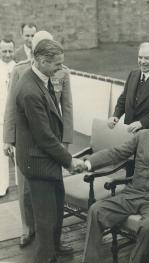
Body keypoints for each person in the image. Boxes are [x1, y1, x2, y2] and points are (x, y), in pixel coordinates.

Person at [81, 99, 149, 263]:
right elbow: (116, 153)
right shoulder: (142, 135)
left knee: (147, 228)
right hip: (133, 193)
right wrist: (88, 163)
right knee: (96, 210)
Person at [2, 31, 74, 248]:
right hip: (28, 144)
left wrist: (66, 141)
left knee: (53, 193)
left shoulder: (62, 72)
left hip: (53, 143)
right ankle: (27, 230)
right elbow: (11, 107)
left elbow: (67, 107)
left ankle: (54, 239)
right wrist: (8, 138)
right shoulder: (21, 71)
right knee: (25, 191)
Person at [15, 39, 83, 263]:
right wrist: (69, 161)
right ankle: (46, 257)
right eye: (57, 64)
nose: (61, 69)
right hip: (38, 161)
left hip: (46, 159)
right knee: (45, 218)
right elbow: (44, 136)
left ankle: (54, 247)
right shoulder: (30, 91)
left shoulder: (41, 78)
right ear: (42, 61)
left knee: (55, 206)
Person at [107, 42, 149, 133]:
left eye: (147, 58)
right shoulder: (133, 74)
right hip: (128, 131)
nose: (142, 61)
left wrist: (142, 123)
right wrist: (115, 116)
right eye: (140, 57)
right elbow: (124, 99)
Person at [0, 38, 16, 196]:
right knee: (1, 154)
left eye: (10, 51)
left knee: (18, 153)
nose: (7, 54)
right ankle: (1, 187)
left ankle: (21, 184)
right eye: (4, 51)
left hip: (14, 117)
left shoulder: (17, 67)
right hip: (0, 117)